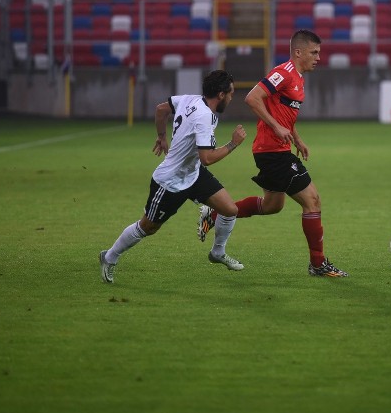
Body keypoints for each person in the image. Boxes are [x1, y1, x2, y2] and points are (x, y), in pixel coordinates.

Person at [197, 29, 348, 278]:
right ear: (298, 52)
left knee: (271, 206)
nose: (318, 57)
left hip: (276, 150)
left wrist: (296, 138)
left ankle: (215, 212)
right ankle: (318, 264)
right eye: (314, 52)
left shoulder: (298, 77)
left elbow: (285, 113)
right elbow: (253, 97)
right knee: (313, 201)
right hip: (272, 151)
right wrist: (276, 127)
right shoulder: (284, 73)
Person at [99, 70, 247, 284]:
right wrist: (233, 143)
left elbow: (161, 109)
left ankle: (217, 253)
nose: (233, 98)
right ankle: (109, 257)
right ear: (221, 95)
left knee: (230, 210)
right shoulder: (204, 117)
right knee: (147, 227)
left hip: (193, 174)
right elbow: (206, 158)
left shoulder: (190, 99)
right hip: (170, 181)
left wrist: (161, 136)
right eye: (231, 93)